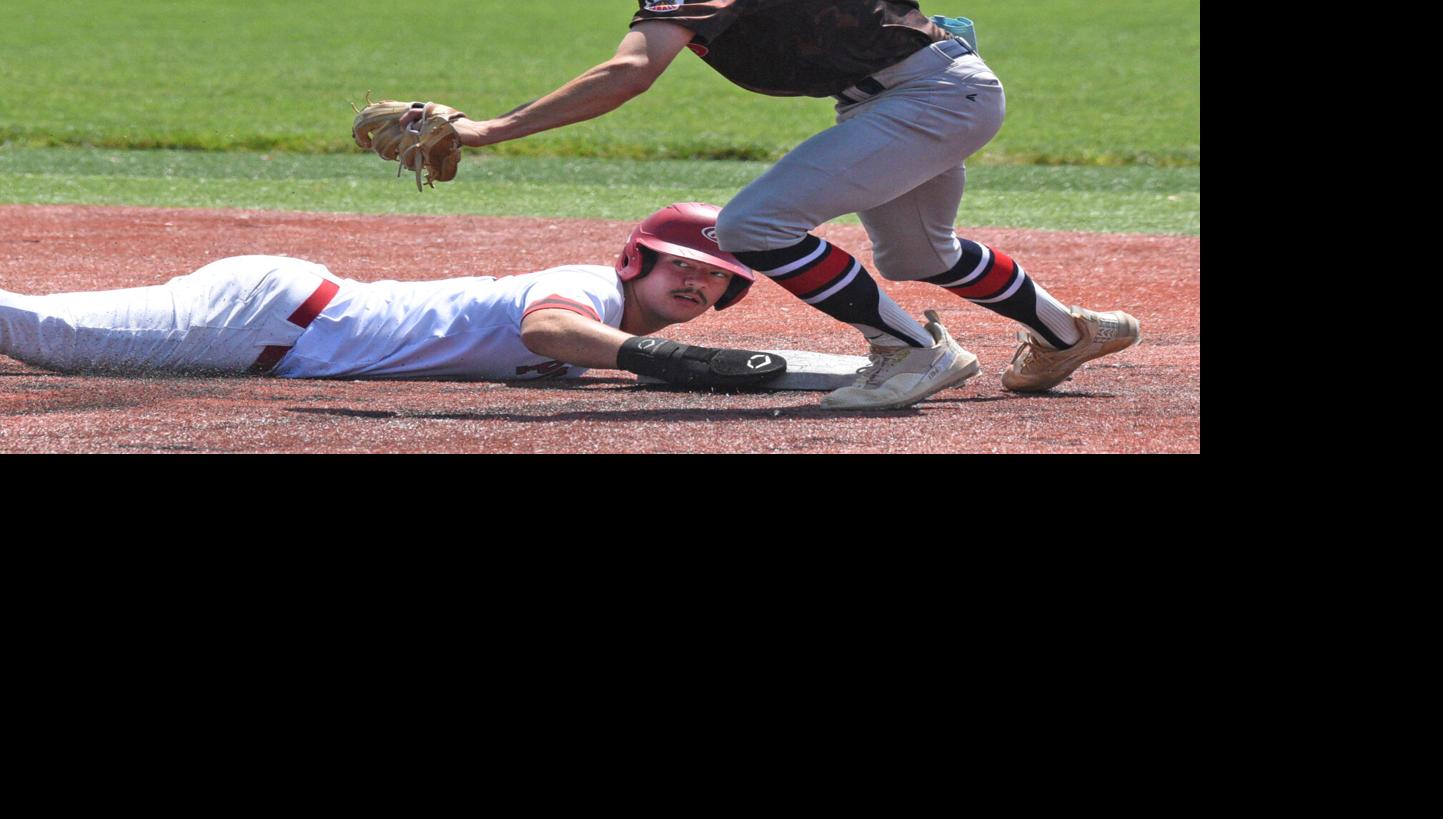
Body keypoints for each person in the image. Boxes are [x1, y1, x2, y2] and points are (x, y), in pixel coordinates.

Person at [404, 0, 1140, 409]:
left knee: (752, 226)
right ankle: (1067, 333)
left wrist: (490, 128)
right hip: (932, 89)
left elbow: (630, 72)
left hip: (929, 95)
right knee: (920, 254)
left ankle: (912, 351)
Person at [0, 203, 785, 388]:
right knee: (46, 336)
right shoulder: (581, 289)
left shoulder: (610, 320)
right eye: (682, 265)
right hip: (263, 321)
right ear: (632, 261)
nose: (697, 280)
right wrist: (667, 360)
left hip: (282, 311)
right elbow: (549, 330)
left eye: (718, 277)